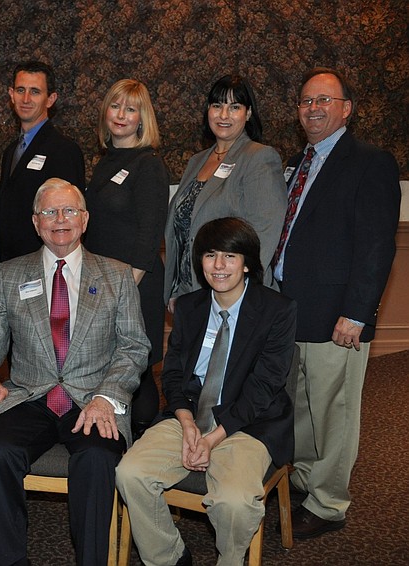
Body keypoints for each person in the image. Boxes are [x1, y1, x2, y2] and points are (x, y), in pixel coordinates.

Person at [0, 178, 150, 566]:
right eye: (49, 211)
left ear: (84, 219)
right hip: (31, 395)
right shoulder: (11, 274)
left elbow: (134, 347)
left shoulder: (115, 275)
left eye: (68, 211)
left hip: (94, 398)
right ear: (35, 221)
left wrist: (106, 397)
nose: (59, 219)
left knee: (97, 459)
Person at [117, 217, 296, 566]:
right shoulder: (189, 307)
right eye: (210, 255)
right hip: (190, 415)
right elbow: (172, 375)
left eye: (230, 256)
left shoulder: (277, 310)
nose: (219, 265)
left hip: (248, 423)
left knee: (235, 502)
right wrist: (186, 424)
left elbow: (264, 387)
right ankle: (169, 558)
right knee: (130, 473)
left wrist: (212, 439)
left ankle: (229, 560)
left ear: (247, 264)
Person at [272, 67, 401, 539]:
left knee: (335, 410)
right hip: (291, 308)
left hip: (337, 315)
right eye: (306, 101)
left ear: (346, 108)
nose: (313, 108)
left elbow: (376, 246)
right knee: (304, 406)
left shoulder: (370, 162)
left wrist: (357, 313)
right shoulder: (295, 163)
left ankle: (329, 505)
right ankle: (307, 482)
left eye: (324, 100)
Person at [83, 79, 169, 437]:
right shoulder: (105, 162)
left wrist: (119, 292)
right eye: (116, 106)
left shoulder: (148, 164)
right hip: (103, 283)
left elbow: (149, 237)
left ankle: (141, 451)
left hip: (135, 284)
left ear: (142, 118)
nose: (121, 115)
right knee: (108, 366)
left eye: (130, 109)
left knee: (137, 368)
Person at [164, 74, 285, 313]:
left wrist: (229, 294)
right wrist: (177, 289)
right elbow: (182, 232)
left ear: (248, 114)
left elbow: (263, 234)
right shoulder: (196, 161)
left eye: (235, 107)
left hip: (236, 298)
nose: (224, 115)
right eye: (217, 105)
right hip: (192, 294)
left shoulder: (259, 157)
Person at [0, 61, 85, 281]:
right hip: (10, 271)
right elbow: (4, 215)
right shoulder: (11, 152)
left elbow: (69, 221)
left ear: (51, 99)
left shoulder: (64, 151)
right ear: (11, 95)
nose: (26, 99)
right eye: (21, 90)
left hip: (46, 272)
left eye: (35, 92)